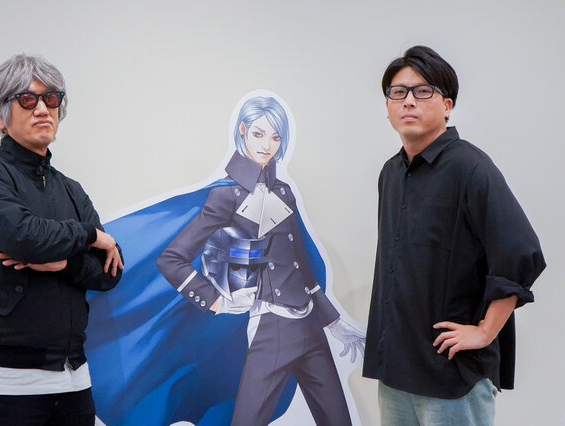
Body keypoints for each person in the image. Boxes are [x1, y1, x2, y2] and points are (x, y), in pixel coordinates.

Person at [363, 45, 546, 425]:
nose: (408, 101)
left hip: (451, 375)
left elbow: (520, 253)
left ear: (446, 105)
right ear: (387, 107)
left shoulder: (471, 168)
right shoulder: (391, 173)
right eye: (398, 92)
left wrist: (485, 332)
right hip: (395, 371)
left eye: (422, 91)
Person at [156, 95, 365, 426]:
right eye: (258, 134)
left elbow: (301, 266)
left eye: (275, 137)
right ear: (242, 131)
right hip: (271, 327)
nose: (267, 145)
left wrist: (333, 321)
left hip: (310, 327)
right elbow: (172, 259)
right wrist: (216, 302)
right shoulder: (225, 195)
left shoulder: (284, 191)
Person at [0, 53, 124, 425]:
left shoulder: (71, 189)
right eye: (28, 99)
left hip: (73, 376)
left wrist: (63, 262)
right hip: (3, 382)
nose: (43, 109)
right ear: (0, 114)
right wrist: (89, 235)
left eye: (51, 98)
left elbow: (109, 272)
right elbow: (25, 237)